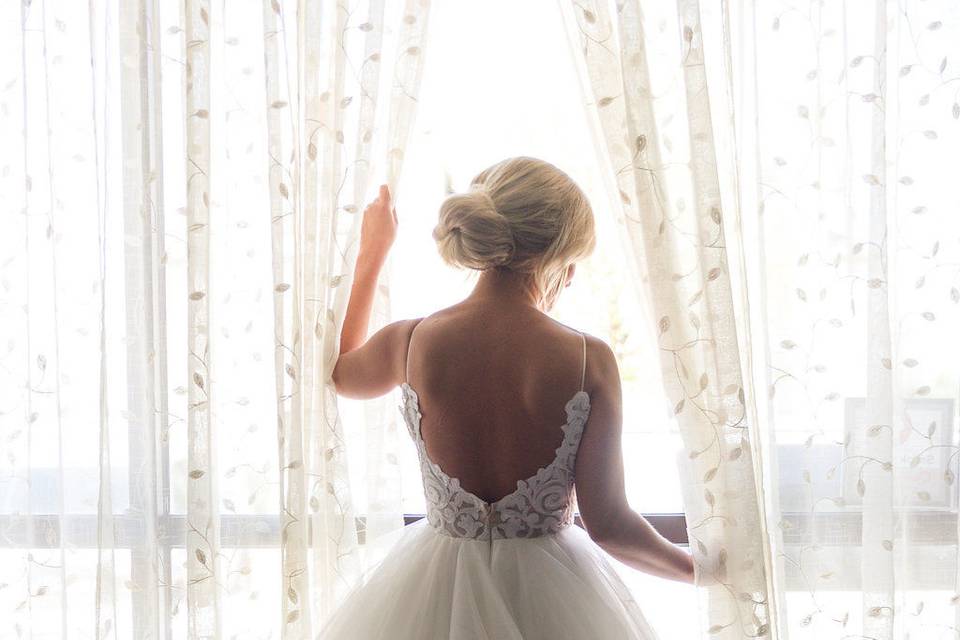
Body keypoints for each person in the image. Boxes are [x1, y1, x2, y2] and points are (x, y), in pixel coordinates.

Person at [321, 157, 694, 639]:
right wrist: (700, 569)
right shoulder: (587, 359)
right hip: (558, 604)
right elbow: (610, 525)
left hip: (428, 593)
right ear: (558, 258)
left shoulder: (409, 342)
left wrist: (372, 253)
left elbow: (341, 373)